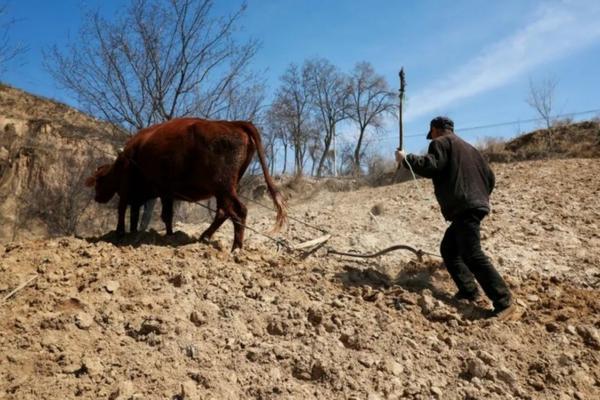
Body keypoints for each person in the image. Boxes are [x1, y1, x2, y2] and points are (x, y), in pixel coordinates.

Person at [395, 116, 514, 319]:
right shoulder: (471, 149)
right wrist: (480, 197)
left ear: (435, 129)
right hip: (474, 205)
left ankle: (504, 302)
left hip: (464, 207)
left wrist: (406, 159)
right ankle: (469, 291)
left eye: (431, 133)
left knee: (472, 254)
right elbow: (490, 177)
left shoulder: (439, 142)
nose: (430, 137)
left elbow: (432, 165)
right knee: (449, 250)